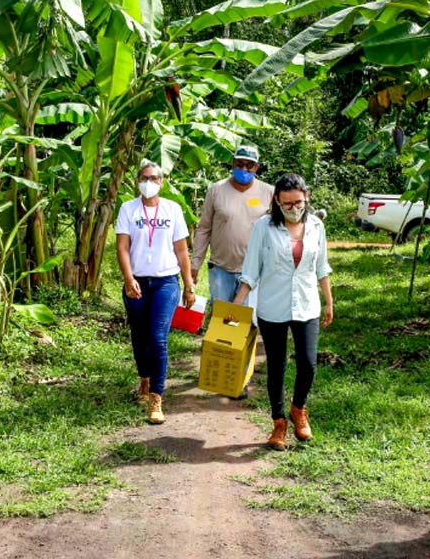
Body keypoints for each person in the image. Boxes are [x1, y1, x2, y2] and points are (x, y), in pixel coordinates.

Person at [232, 173, 333, 451]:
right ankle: (278, 422)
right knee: (276, 365)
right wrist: (238, 303)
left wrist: (329, 301)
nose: (293, 208)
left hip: (307, 304)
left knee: (308, 363)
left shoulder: (316, 226)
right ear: (277, 201)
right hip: (272, 305)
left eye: (298, 202)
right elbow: (251, 270)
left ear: (307, 198)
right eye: (286, 204)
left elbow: (321, 267)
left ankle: (298, 408)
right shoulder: (263, 227)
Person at [116, 160, 196, 424]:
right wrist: (128, 279)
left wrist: (188, 284)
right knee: (139, 335)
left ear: (161, 182)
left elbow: (181, 250)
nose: (148, 182)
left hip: (165, 282)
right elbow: (123, 247)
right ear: (137, 180)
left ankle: (156, 397)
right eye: (144, 177)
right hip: (137, 281)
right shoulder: (128, 209)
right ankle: (144, 380)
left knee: (158, 337)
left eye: (154, 178)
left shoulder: (173, 209)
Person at [190, 144, 274, 317]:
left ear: (256, 167)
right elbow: (204, 229)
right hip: (221, 268)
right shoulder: (216, 190)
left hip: (255, 269)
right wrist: (195, 264)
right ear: (233, 163)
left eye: (249, 165)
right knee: (222, 318)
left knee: (249, 320)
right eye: (239, 164)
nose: (244, 169)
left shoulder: (269, 192)